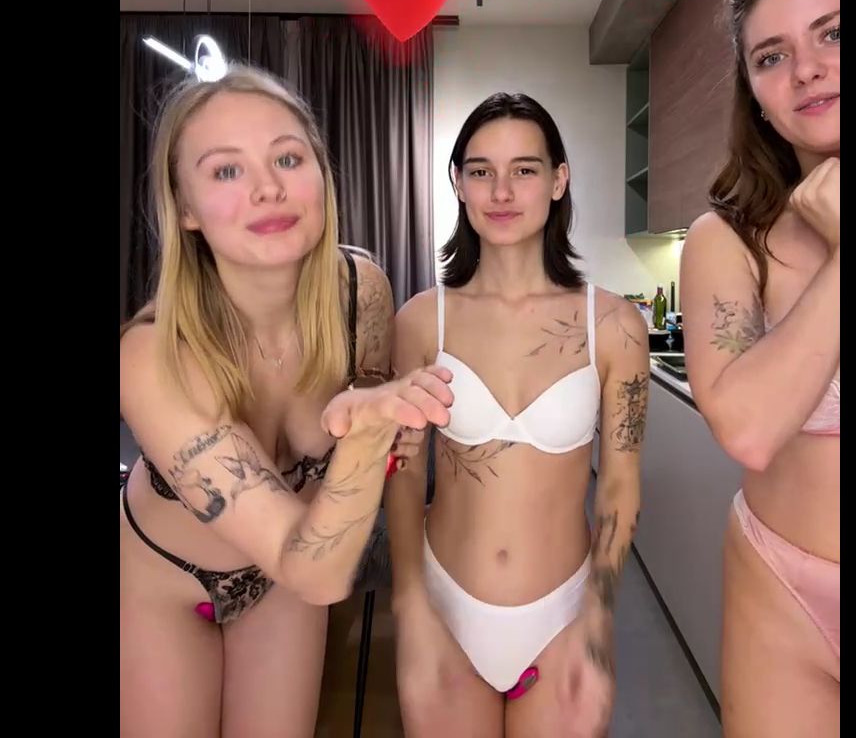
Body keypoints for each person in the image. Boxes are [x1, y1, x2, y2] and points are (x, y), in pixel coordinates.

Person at [119, 65, 452, 737]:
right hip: (165, 580)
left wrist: (388, 431)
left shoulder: (361, 292)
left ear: (321, 177)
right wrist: (368, 437)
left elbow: (352, 483)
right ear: (185, 210)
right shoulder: (150, 355)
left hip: (289, 572)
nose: (268, 187)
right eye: (226, 171)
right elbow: (323, 572)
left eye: (288, 158)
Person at [386, 92, 649, 738]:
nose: (501, 191)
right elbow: (401, 475)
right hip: (445, 606)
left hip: (563, 616)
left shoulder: (615, 325)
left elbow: (619, 484)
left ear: (558, 180)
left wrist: (598, 614)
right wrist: (410, 605)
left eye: (524, 170)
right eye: (481, 171)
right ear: (458, 183)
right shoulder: (421, 321)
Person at [680, 0, 840, 737]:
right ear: (757, 98)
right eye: (772, 56)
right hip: (783, 586)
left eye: (833, 34)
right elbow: (747, 429)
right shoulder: (726, 240)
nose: (807, 70)